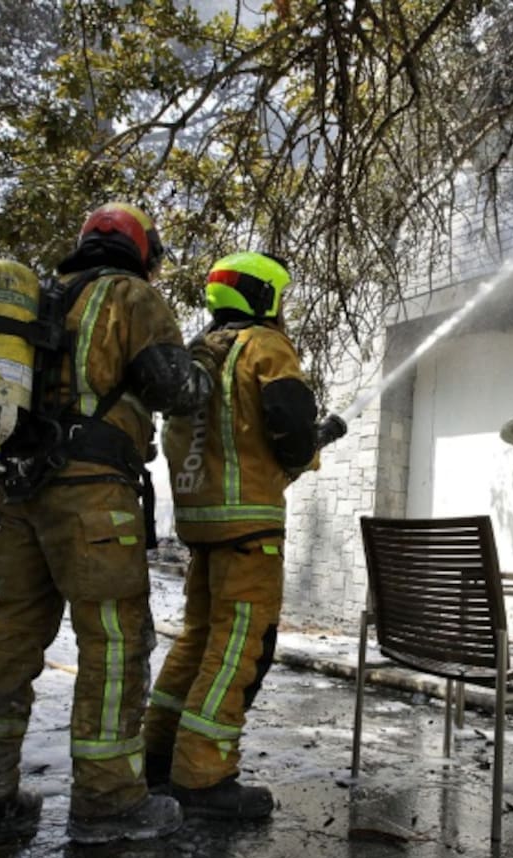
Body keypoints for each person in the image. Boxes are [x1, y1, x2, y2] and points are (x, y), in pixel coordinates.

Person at [0, 202, 217, 853]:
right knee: (115, 644)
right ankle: (109, 802)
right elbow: (173, 388)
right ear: (142, 253)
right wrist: (201, 367)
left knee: (10, 638)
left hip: (21, 494)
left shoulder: (44, 299)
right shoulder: (131, 295)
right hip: (93, 497)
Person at [142, 251, 346, 819]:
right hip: (249, 529)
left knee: (197, 640)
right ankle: (202, 776)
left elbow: (226, 437)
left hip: (202, 526)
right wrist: (310, 443)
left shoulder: (200, 354)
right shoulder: (266, 346)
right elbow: (290, 433)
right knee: (237, 648)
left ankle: (157, 755)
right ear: (266, 296)